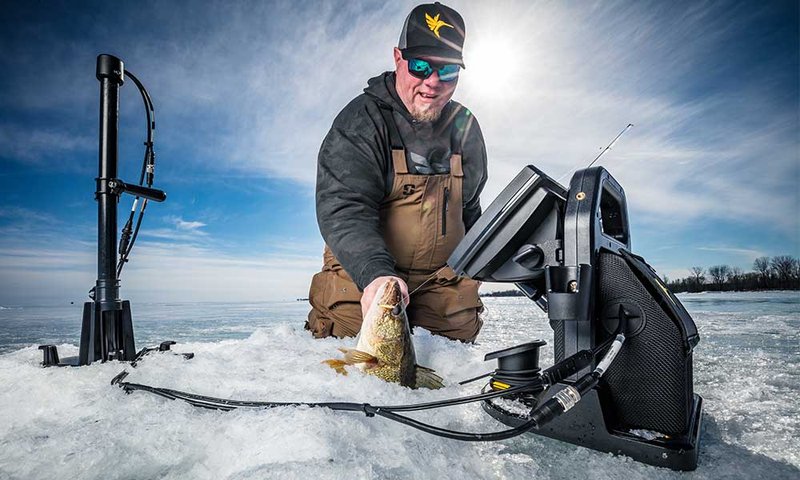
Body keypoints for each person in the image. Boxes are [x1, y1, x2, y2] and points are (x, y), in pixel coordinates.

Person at [305, 2, 487, 342]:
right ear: (397, 58)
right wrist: (375, 275)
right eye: (420, 66)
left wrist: (500, 259)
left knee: (451, 377)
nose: (433, 83)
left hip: (442, 287)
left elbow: (470, 210)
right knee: (356, 367)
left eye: (447, 71)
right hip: (366, 280)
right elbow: (344, 208)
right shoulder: (362, 121)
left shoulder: (465, 127)